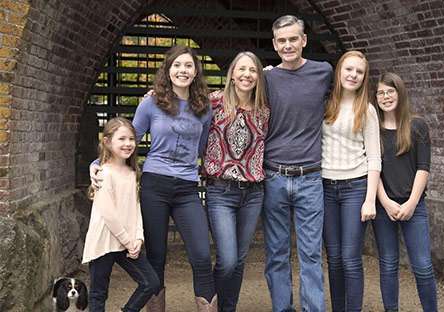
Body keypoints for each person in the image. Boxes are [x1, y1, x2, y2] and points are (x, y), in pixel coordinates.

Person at [91, 45, 216, 312]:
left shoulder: (204, 108)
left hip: (187, 189)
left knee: (202, 256)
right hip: (154, 186)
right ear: (168, 70)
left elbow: (203, 147)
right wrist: (97, 163)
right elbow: (127, 139)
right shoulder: (151, 103)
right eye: (177, 65)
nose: (183, 70)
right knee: (156, 258)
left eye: (188, 66)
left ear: (195, 72)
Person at [262, 15, 332, 312]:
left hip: (310, 177)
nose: (288, 45)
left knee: (311, 254)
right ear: (275, 44)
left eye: (293, 39)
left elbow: (351, 94)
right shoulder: (265, 78)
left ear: (304, 40)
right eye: (282, 40)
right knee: (276, 254)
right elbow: (230, 95)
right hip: (274, 176)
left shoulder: (324, 72)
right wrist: (162, 96)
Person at [203, 51, 269, 311]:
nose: (247, 75)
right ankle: (215, 305)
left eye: (252, 70)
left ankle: (228, 308)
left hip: (253, 193)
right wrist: (155, 97)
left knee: (240, 259)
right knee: (227, 259)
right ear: (231, 74)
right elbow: (182, 111)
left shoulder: (265, 110)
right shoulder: (214, 103)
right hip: (221, 191)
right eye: (241, 69)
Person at [321, 50, 381, 311]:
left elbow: (375, 158)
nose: (353, 75)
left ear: (364, 77)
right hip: (324, 187)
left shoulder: (366, 110)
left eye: (359, 72)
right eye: (349, 69)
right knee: (333, 258)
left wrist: (370, 200)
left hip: (355, 187)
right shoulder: (324, 103)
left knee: (350, 258)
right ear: (339, 71)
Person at [373, 72, 437, 312]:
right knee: (388, 264)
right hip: (384, 206)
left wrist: (411, 203)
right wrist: (386, 202)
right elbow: (372, 168)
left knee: (422, 266)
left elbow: (423, 168)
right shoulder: (373, 129)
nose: (386, 96)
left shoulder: (417, 125)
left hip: (414, 205)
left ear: (400, 93)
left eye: (390, 91)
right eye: (381, 92)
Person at [82, 117, 160, 312]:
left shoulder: (133, 172)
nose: (128, 144)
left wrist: (138, 238)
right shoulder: (103, 173)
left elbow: (135, 209)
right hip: (105, 241)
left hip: (127, 242)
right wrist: (127, 240)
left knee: (151, 282)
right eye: (122, 139)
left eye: (131, 139)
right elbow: (108, 214)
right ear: (107, 142)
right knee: (99, 293)